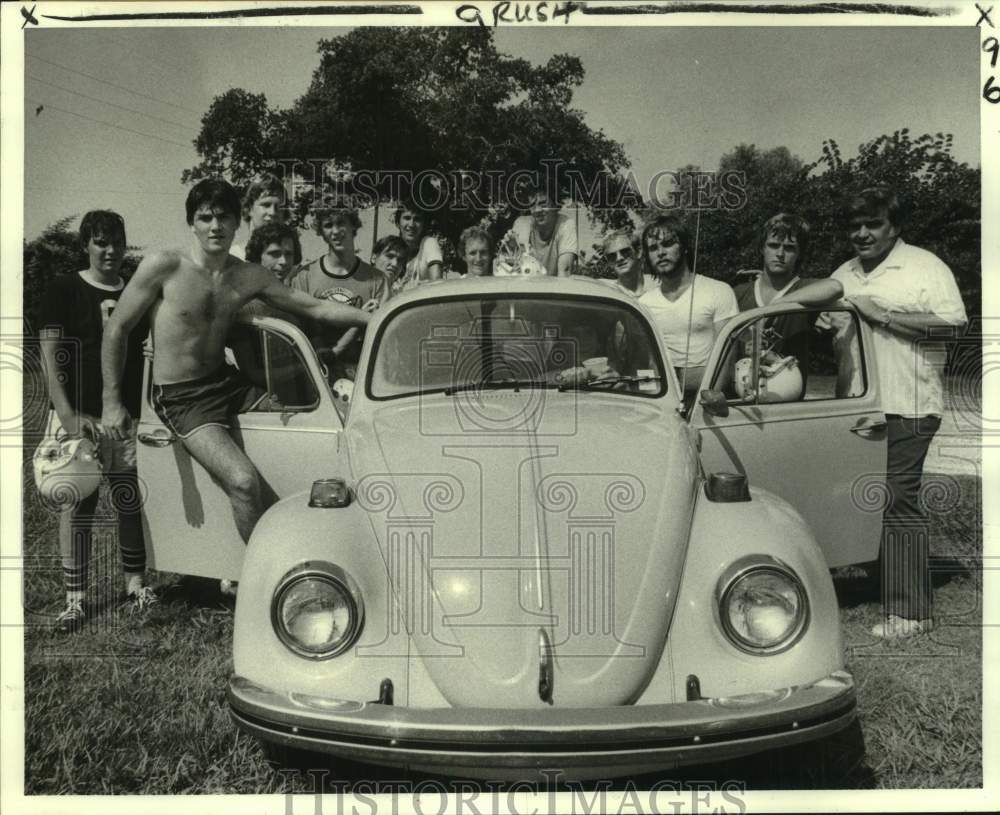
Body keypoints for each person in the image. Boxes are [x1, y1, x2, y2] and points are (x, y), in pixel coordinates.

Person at [100, 180, 374, 594]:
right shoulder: (164, 265)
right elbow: (117, 327)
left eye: (223, 217)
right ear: (191, 222)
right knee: (243, 481)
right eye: (205, 217)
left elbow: (314, 306)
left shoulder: (246, 275)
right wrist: (110, 401)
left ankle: (323, 551)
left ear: (236, 222)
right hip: (182, 397)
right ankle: (272, 583)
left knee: (309, 430)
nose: (215, 226)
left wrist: (374, 318)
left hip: (227, 384)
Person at [831, 185, 967, 639]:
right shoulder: (844, 274)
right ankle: (874, 586)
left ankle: (912, 612)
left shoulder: (925, 266)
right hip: (858, 405)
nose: (863, 234)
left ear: (895, 227)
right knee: (865, 499)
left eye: (873, 224)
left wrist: (884, 315)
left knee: (897, 500)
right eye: (855, 226)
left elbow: (953, 326)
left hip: (909, 402)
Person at [38, 210, 155, 631]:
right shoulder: (65, 287)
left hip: (123, 415)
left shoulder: (139, 292)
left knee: (128, 499)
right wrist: (67, 414)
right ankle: (75, 599)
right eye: (101, 242)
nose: (110, 251)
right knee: (78, 504)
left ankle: (136, 584)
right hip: (78, 416)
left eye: (116, 242)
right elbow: (50, 356)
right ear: (86, 244)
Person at [731, 213, 843, 391]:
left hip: (787, 402)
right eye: (774, 245)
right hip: (740, 398)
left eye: (790, 248)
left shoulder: (802, 289)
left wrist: (778, 305)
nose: (780, 254)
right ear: (762, 248)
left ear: (799, 253)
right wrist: (746, 343)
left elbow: (835, 287)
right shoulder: (739, 293)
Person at [286, 199, 389, 381]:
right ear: (321, 232)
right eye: (328, 225)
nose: (335, 231)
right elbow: (299, 333)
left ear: (353, 225)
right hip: (316, 375)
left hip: (364, 376)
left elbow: (385, 336)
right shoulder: (304, 277)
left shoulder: (377, 279)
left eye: (341, 223)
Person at [637, 214, 738, 395]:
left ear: (684, 247)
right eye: (653, 248)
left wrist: (711, 396)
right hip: (663, 402)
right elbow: (645, 364)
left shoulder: (718, 291)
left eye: (668, 244)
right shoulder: (644, 304)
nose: (660, 252)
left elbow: (726, 358)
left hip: (709, 401)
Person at [502, 184, 578, 277]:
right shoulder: (521, 224)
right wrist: (511, 253)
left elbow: (565, 270)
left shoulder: (565, 224)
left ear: (555, 204)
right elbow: (512, 272)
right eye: (532, 205)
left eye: (543, 203)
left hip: (554, 288)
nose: (537, 210)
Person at [231, 173, 286, 260]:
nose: (273, 212)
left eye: (279, 207)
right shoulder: (231, 257)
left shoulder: (288, 262)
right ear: (249, 209)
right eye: (266, 205)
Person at [394, 201, 443, 290]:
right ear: (398, 223)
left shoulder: (428, 243)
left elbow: (437, 284)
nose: (411, 224)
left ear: (423, 225)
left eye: (417, 219)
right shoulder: (395, 254)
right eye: (407, 218)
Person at [598, 229, 653, 297]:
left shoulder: (658, 286)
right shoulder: (606, 290)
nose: (619, 258)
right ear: (609, 262)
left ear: (638, 252)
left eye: (625, 252)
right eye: (612, 256)